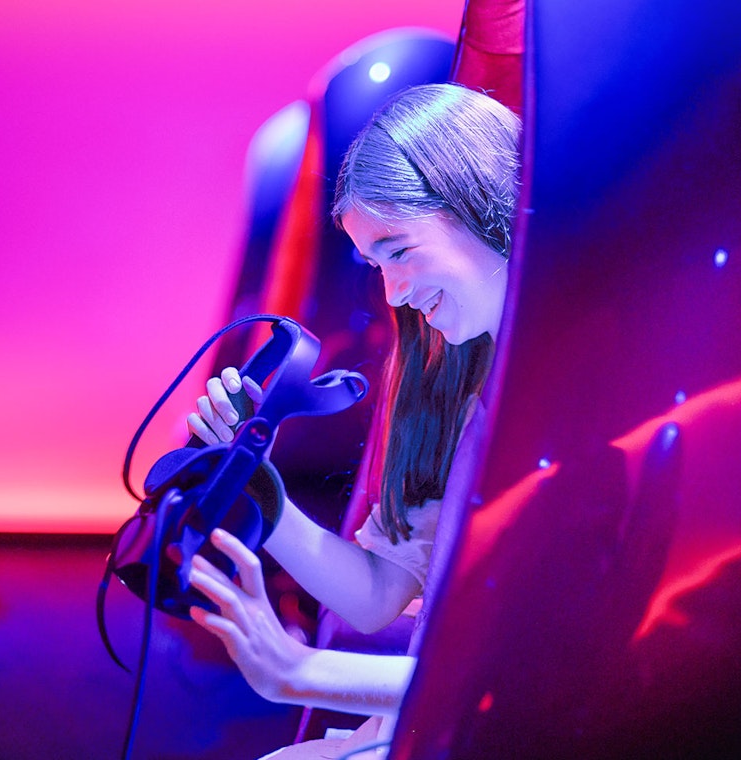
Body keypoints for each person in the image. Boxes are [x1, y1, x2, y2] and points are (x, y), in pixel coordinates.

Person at [184, 82, 521, 758]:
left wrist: (305, 673)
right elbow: (376, 596)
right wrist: (251, 481)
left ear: (481, 204)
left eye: (400, 250)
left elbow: (529, 672)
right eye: (376, 266)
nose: (393, 293)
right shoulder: (463, 393)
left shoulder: (579, 393)